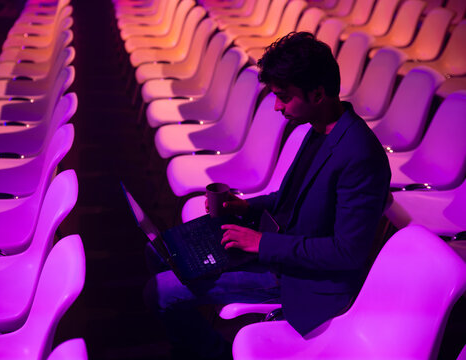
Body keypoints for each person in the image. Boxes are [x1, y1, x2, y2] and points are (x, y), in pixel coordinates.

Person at [144, 32, 391, 360]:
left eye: (284, 97)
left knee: (160, 292)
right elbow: (293, 199)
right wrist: (247, 205)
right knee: (159, 252)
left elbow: (347, 253)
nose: (277, 107)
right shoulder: (320, 128)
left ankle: (212, 352)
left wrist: (260, 244)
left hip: (300, 278)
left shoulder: (360, 155)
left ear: (317, 94)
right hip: (277, 251)